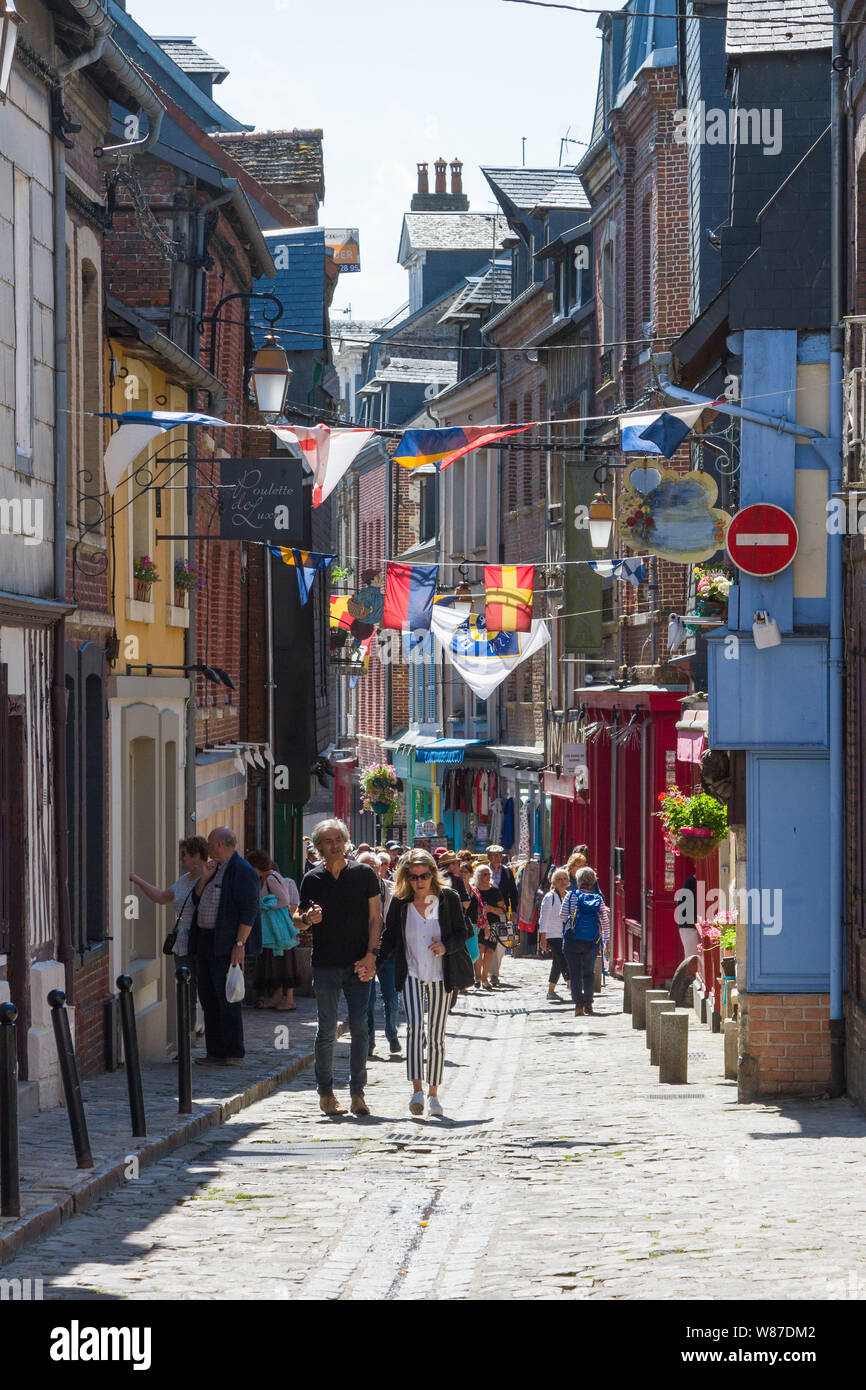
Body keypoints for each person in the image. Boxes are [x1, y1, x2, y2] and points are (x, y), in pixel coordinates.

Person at [294, 819, 382, 1117]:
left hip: (359, 963)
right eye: (328, 841)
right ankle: (326, 1093)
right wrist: (308, 919)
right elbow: (297, 917)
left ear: (345, 842)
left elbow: (375, 918)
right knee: (326, 1030)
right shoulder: (312, 878)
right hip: (326, 964)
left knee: (360, 1028)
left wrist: (372, 955)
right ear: (318, 846)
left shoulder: (364, 874)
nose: (334, 845)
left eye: (338, 840)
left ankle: (357, 1092)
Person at [378, 849, 473, 1117]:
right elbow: (390, 937)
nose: (420, 881)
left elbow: (461, 932)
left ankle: (433, 1094)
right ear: (405, 878)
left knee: (436, 1034)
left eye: (424, 875)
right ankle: (416, 1090)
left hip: (441, 974)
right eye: (414, 876)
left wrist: (446, 946)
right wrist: (373, 963)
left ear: (433, 874)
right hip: (411, 972)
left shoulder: (446, 898)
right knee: (416, 1027)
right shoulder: (401, 902)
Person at [188, 828, 262, 1065]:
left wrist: (240, 943)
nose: (207, 848)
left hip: (226, 943)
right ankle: (215, 1051)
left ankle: (233, 1052)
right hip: (205, 941)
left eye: (210, 843)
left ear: (220, 844)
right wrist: (205, 878)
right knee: (208, 997)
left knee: (227, 998)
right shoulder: (214, 869)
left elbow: (249, 909)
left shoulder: (242, 870)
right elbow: (196, 899)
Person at [129, 835, 209, 1021]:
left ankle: (209, 1031)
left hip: (202, 942)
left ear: (196, 855)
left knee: (205, 988)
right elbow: (163, 897)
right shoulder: (184, 880)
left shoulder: (209, 877)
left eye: (184, 855)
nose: (181, 859)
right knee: (185, 988)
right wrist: (137, 880)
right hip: (182, 943)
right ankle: (187, 1033)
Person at [358, 851, 401, 1060]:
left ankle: (392, 1033)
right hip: (363, 951)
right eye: (364, 867)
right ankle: (369, 1041)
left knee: (391, 996)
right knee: (367, 999)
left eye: (373, 867)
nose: (369, 871)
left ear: (380, 869)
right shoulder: (354, 892)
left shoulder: (392, 890)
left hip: (388, 951)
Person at [247, 850, 299, 1012]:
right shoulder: (273, 876)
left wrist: (265, 905)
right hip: (274, 929)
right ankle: (277, 998)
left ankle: (289, 1000)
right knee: (276, 963)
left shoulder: (270, 878)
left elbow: (283, 900)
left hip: (278, 929)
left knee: (284, 963)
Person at [560, 865, 604, 1017]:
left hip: (572, 939)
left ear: (577, 880)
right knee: (589, 972)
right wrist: (607, 939)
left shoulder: (571, 896)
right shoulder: (598, 898)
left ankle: (578, 1005)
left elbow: (562, 915)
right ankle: (589, 1004)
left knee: (575, 972)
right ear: (592, 882)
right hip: (591, 941)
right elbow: (605, 920)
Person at [467, 864, 506, 990]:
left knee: (490, 951)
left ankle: (485, 978)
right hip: (478, 924)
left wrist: (490, 909)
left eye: (488, 874)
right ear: (478, 876)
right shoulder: (474, 891)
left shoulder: (495, 891)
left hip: (493, 924)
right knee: (479, 949)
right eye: (484, 874)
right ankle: (477, 977)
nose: (487, 876)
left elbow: (502, 909)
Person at [486, 845, 518, 985]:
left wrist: (514, 911)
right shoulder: (484, 871)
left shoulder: (507, 872)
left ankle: (494, 973)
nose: (496, 858)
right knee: (485, 943)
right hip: (486, 912)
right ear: (488, 857)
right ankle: (483, 972)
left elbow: (513, 892)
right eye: (493, 855)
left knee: (500, 943)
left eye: (498, 855)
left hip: (502, 912)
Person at [539, 866, 571, 1001]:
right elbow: (543, 917)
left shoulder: (569, 896)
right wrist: (543, 937)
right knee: (563, 959)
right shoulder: (550, 897)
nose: (563, 881)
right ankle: (572, 985)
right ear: (554, 881)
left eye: (565, 879)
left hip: (565, 934)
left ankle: (550, 991)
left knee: (557, 963)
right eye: (559, 879)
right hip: (553, 934)